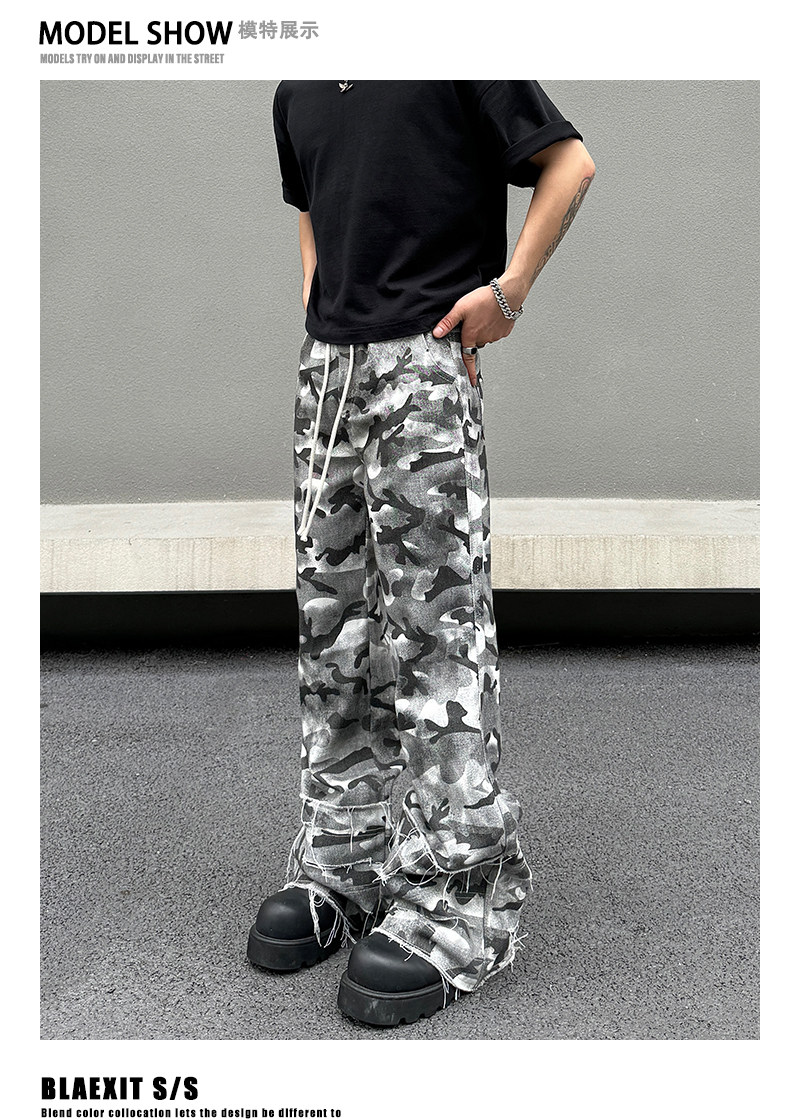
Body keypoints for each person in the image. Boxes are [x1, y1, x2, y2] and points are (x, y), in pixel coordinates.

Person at [247, 80, 595, 1028]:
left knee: (437, 636)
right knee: (334, 632)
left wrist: (508, 293)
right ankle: (346, 861)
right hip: (330, 371)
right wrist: (320, 299)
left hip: (423, 366)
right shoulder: (298, 84)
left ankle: (461, 899)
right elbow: (314, 209)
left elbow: (570, 163)